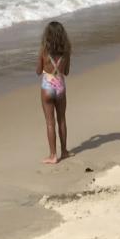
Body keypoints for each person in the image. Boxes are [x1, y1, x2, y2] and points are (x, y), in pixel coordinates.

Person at [36, 21, 72, 164]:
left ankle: (53, 155)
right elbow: (67, 72)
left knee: (50, 123)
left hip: (47, 86)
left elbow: (38, 72)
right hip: (60, 86)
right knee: (61, 119)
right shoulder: (67, 51)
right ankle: (64, 151)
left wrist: (45, 64)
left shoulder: (43, 51)